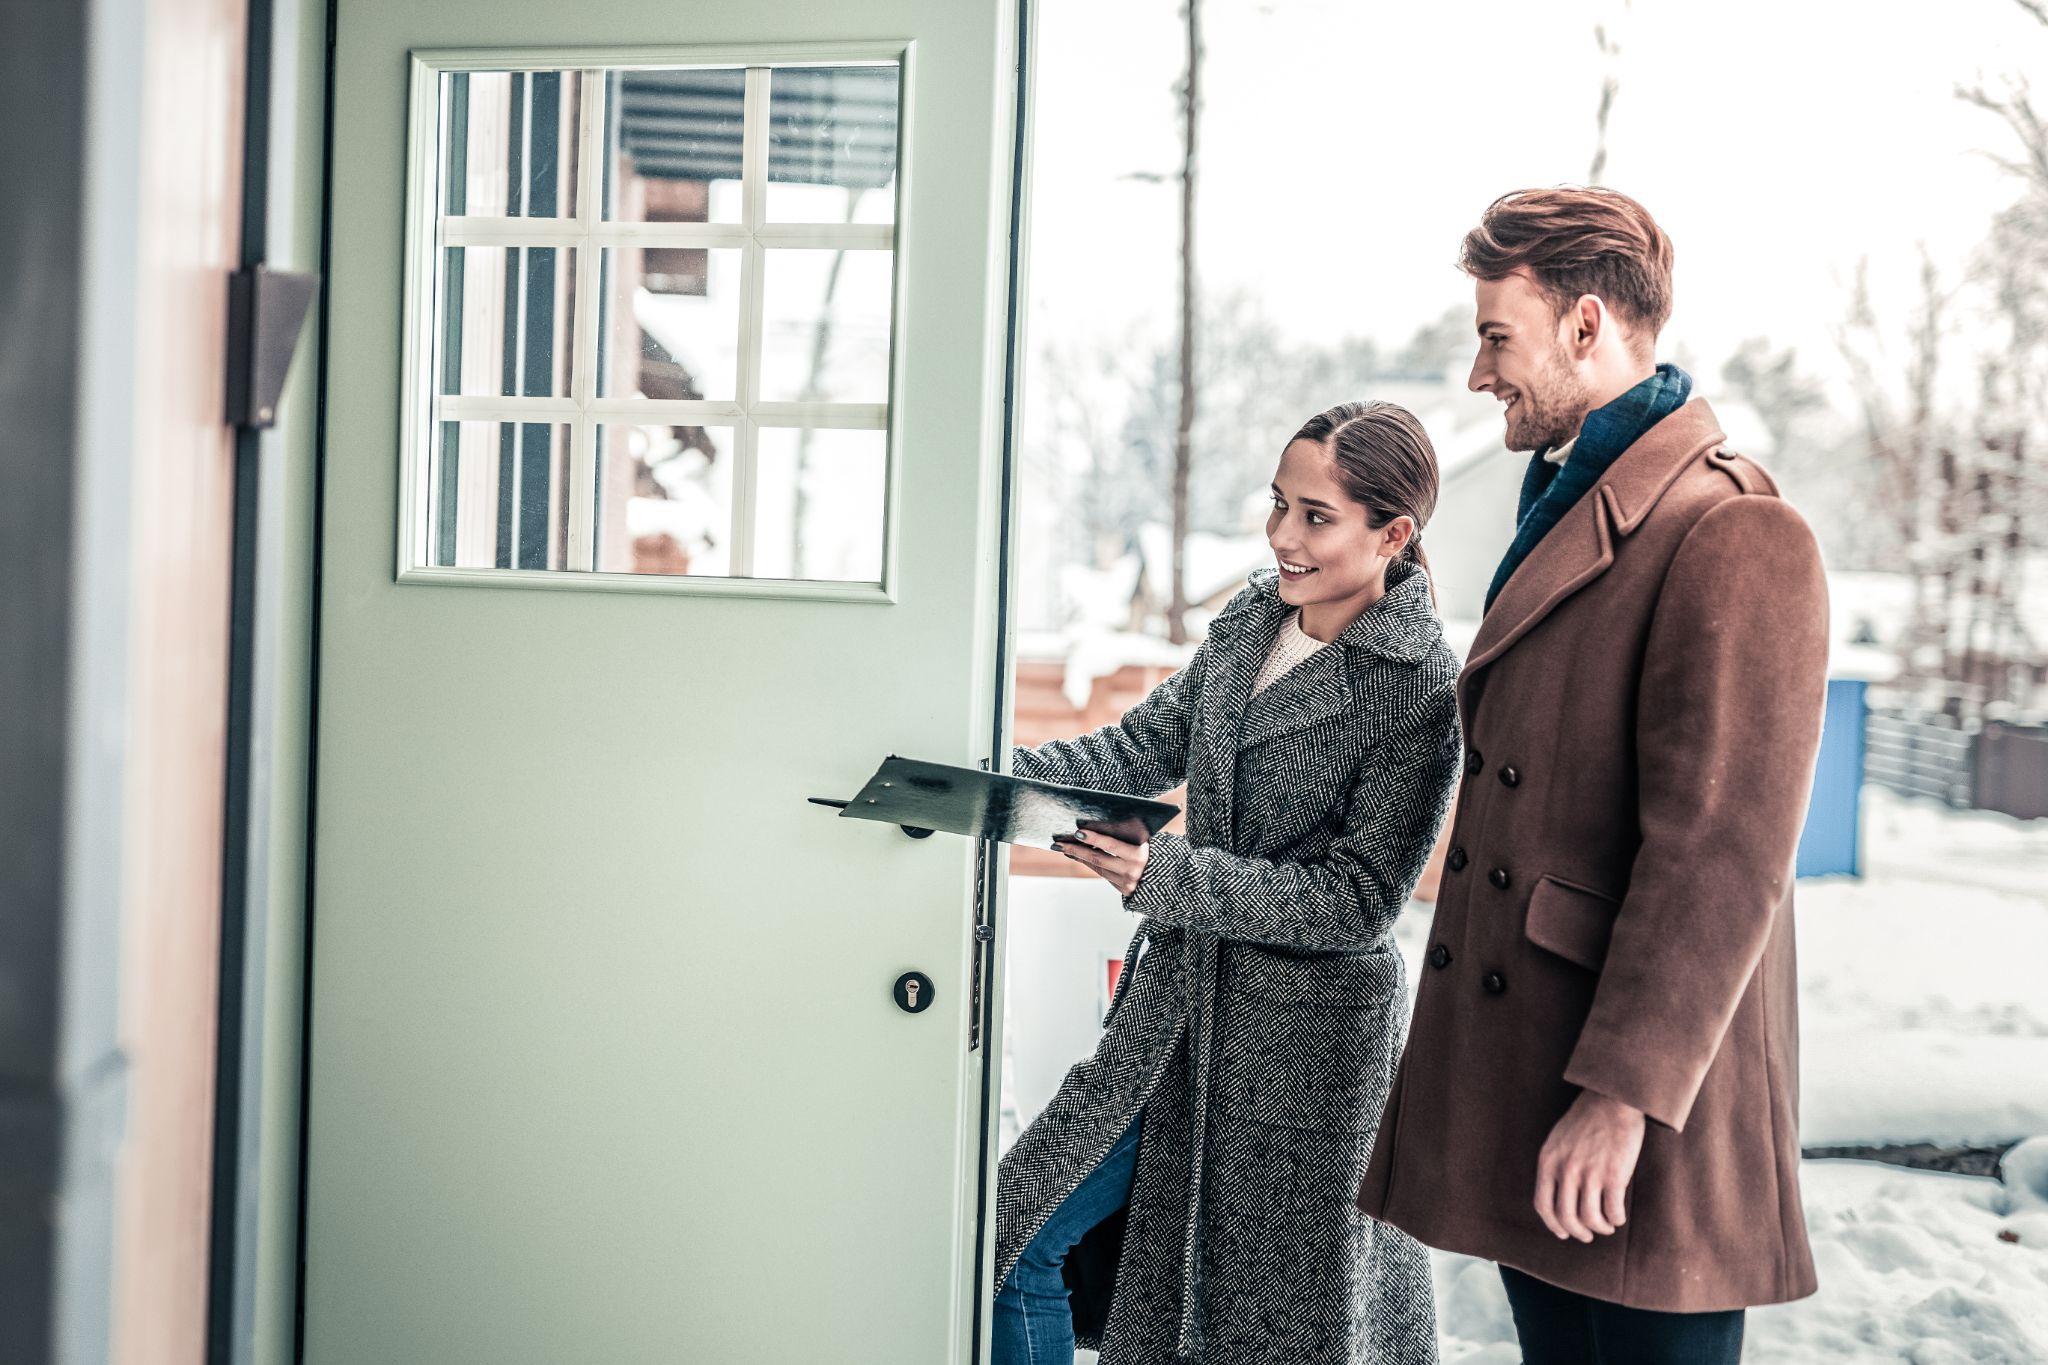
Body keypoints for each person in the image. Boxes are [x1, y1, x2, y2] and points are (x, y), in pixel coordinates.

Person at [1356, 187, 1831, 1365]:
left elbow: (1721, 855)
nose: (1476, 376)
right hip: (1539, 1076)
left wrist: (1618, 1100)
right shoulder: (1574, 499)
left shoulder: (1730, 529)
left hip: (1629, 1112)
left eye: (1493, 337)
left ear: (1582, 327)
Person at [992, 401, 1460, 1365]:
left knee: (1265, 1334)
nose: (1282, 536)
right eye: (1278, 503)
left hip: (1304, 1052)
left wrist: (1170, 875)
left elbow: (1359, 897)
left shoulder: (1416, 687)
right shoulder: (1252, 618)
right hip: (1176, 1005)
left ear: (1393, 533)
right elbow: (1139, 745)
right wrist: (1000, 778)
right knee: (1013, 1231)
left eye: (1317, 516)